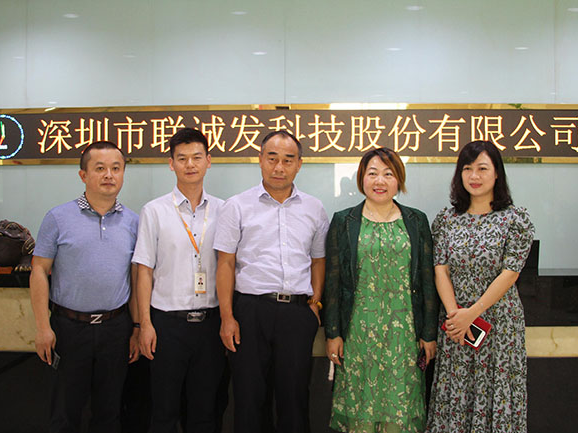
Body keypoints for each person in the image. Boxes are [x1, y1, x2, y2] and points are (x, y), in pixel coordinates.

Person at [214, 130, 329, 433]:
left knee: (295, 399)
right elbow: (225, 263)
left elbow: (318, 260)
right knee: (249, 398)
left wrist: (315, 304)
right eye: (272, 158)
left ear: (299, 164)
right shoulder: (236, 206)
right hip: (250, 312)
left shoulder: (314, 208)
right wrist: (227, 317)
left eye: (288, 160)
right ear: (260, 160)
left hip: (297, 313)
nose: (279, 167)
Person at [323, 147, 439, 433]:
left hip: (404, 334)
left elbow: (427, 280)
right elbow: (333, 281)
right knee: (359, 406)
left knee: (401, 406)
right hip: (358, 333)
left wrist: (429, 333)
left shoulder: (416, 221)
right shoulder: (344, 221)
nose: (380, 181)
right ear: (362, 178)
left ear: (399, 180)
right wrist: (333, 333)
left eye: (388, 174)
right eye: (372, 173)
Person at [30, 140, 140, 433]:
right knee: (64, 414)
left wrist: (137, 327)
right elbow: (39, 270)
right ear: (83, 175)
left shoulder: (133, 222)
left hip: (116, 329)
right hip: (68, 328)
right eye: (100, 168)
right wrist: (42, 327)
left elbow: (135, 279)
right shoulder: (58, 217)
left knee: (109, 413)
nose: (109, 175)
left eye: (116, 168)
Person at [425, 140, 535, 433]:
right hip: (456, 325)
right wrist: (455, 316)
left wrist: (471, 314)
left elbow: (510, 274)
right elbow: (440, 269)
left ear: (497, 173)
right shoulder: (447, 219)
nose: (474, 176)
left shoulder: (515, 219)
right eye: (467, 169)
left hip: (498, 324)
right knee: (456, 390)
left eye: (482, 168)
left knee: (496, 391)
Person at [133, 128, 225, 433]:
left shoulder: (225, 210)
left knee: (205, 411)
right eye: (182, 158)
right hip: (167, 325)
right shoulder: (154, 211)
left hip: (210, 325)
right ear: (171, 164)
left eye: (197, 157)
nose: (190, 164)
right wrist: (144, 324)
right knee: (163, 411)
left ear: (208, 161)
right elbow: (144, 270)